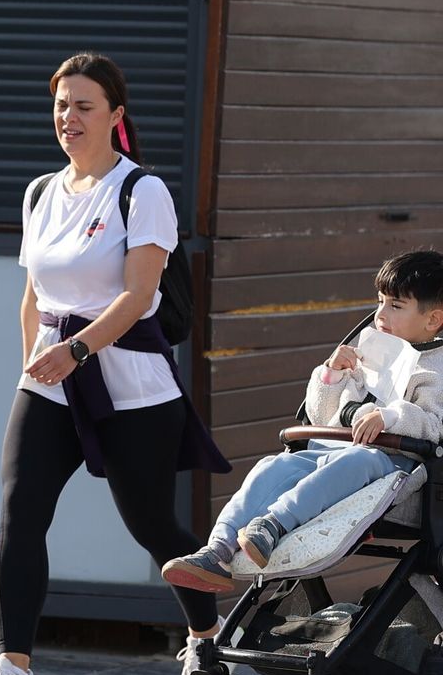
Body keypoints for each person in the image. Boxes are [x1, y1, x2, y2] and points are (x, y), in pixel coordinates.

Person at [0, 52, 230, 675]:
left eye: (83, 106)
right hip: (51, 380)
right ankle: (13, 668)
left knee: (153, 525)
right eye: (60, 106)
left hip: (131, 385)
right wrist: (33, 367)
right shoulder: (41, 192)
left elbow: (139, 297)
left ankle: (205, 642)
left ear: (115, 117)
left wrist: (76, 349)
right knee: (21, 511)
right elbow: (32, 295)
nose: (68, 119)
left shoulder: (142, 191)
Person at [164, 250, 443, 588]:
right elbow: (320, 415)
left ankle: (273, 524)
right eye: (380, 301)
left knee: (357, 459)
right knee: (273, 467)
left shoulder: (435, 368)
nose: (380, 313)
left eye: (395, 306)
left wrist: (390, 416)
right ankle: (217, 550)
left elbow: (433, 424)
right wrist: (333, 376)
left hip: (396, 472)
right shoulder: (370, 350)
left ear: (432, 320)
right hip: (332, 451)